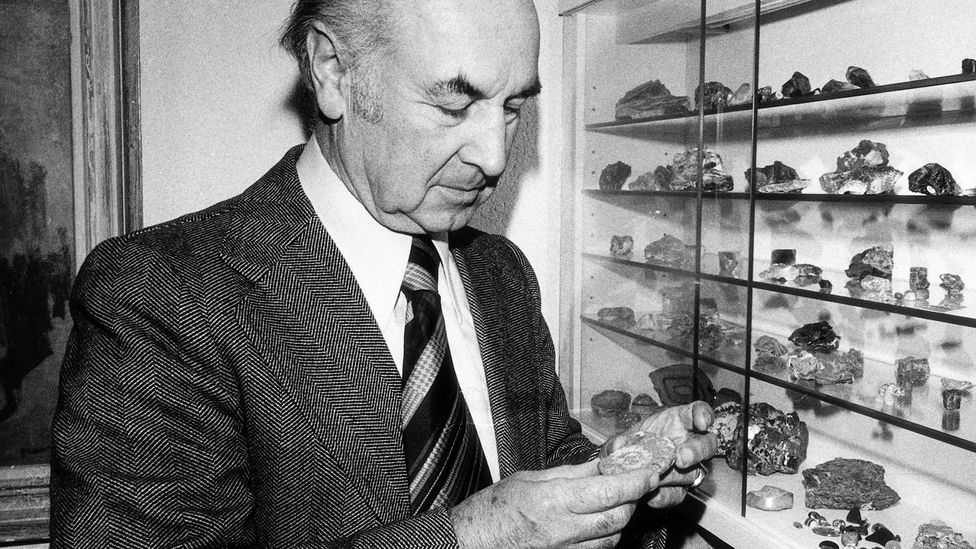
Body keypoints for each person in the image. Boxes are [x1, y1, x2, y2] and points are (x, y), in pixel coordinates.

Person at [50, 0, 718, 547]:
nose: (493, 157)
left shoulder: (503, 277)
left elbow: (541, 474)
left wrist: (618, 476)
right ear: (333, 71)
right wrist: (470, 537)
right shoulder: (158, 296)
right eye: (455, 107)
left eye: (513, 108)